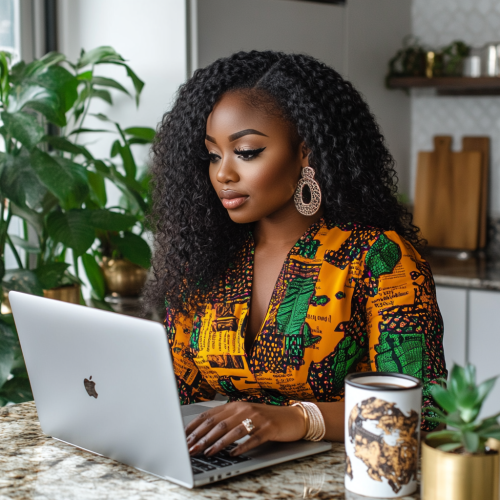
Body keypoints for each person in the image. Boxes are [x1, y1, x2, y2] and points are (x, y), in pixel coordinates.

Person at [145, 51, 446, 459]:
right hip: (229, 470)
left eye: (247, 151)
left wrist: (298, 419)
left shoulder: (378, 259)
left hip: (346, 477)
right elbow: (179, 390)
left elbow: (422, 412)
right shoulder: (204, 260)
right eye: (213, 155)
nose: (223, 174)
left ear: (305, 152)